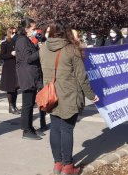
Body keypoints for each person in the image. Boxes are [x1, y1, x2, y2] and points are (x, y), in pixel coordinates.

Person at [39, 20, 99, 175]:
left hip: (50, 95)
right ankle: (68, 166)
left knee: (55, 129)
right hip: (69, 95)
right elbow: (82, 77)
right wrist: (91, 95)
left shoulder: (43, 48)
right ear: (65, 31)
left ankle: (57, 164)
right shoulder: (71, 49)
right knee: (66, 130)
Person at [15, 18, 43, 140]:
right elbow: (29, 58)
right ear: (26, 29)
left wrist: (37, 47)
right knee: (27, 104)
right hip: (27, 77)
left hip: (31, 75)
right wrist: (41, 50)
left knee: (31, 104)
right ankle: (26, 130)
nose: (35, 31)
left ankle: (29, 127)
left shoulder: (26, 40)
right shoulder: (22, 41)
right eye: (33, 28)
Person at [0, 27, 20, 114]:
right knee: (10, 88)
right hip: (8, 68)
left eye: (15, 33)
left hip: (16, 67)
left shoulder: (17, 43)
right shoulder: (4, 44)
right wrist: (11, 54)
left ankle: (14, 106)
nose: (14, 34)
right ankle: (11, 106)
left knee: (15, 88)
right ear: (9, 33)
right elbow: (2, 56)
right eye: (12, 33)